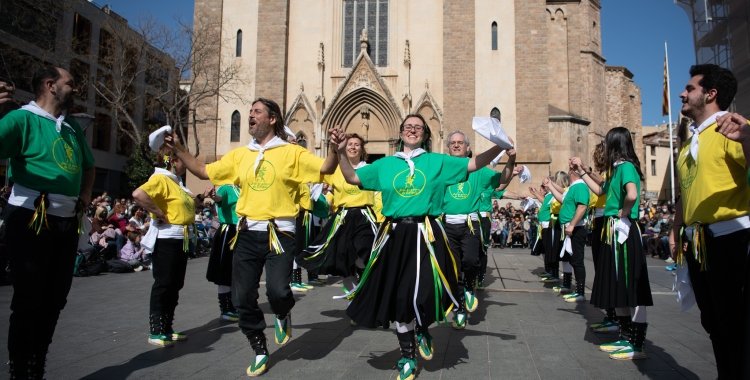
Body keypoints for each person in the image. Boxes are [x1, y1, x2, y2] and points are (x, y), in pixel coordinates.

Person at [164, 98, 343, 377]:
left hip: (280, 232)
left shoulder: (290, 152)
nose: (250, 115)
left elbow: (326, 169)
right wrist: (178, 148)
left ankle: (283, 312)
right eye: (249, 112)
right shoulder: (239, 155)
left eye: (256, 112)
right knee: (243, 297)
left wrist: (334, 149)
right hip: (247, 233)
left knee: (278, 292)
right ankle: (259, 347)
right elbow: (202, 170)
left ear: (272, 119)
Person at [336, 114, 507, 380]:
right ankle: (407, 355)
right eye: (408, 126)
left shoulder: (436, 162)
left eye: (418, 127)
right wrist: (339, 152)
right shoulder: (385, 164)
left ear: (425, 134)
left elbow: (474, 164)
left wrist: (501, 146)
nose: (412, 130)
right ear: (401, 132)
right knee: (402, 297)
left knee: (425, 291)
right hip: (395, 236)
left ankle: (422, 326)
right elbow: (352, 178)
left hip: (427, 233)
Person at [1, 66, 95, 378]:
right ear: (50, 85)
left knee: (55, 299)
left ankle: (36, 364)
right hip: (31, 218)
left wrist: (84, 197)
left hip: (66, 221)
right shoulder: (19, 119)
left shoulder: (69, 127)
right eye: (71, 83)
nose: (76, 89)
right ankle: (20, 369)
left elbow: (88, 166)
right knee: (29, 299)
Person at [668, 64, 749, 377]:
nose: (682, 93)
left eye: (690, 89)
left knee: (735, 325)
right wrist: (676, 228)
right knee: (714, 323)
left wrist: (746, 137)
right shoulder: (690, 143)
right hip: (698, 242)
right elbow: (687, 193)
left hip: (731, 239)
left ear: (711, 94)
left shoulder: (734, 130)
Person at [576, 127, 652, 360]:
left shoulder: (627, 167)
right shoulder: (616, 169)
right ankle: (626, 336)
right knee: (619, 284)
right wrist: (581, 173)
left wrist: (624, 213)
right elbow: (601, 190)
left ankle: (636, 344)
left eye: (607, 143)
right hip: (613, 231)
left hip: (623, 231)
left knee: (631, 284)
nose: (604, 148)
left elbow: (631, 194)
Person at [441, 130, 519, 329]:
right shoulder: (441, 168)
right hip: (447, 224)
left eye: (460, 142)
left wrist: (511, 161)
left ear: (468, 147)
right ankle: (459, 310)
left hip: (470, 223)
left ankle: (469, 287)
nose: (456, 145)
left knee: (471, 261)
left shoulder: (479, 170)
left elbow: (502, 180)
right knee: (454, 268)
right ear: (448, 147)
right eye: (453, 143)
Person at [297, 133, 378, 310]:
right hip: (343, 218)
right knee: (343, 262)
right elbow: (314, 173)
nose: (353, 147)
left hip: (364, 216)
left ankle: (364, 291)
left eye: (357, 144)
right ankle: (355, 300)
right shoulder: (336, 172)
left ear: (362, 149)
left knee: (365, 252)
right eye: (350, 144)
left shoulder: (370, 169)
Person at [132, 146, 201, 348]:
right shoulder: (160, 178)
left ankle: (167, 327)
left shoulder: (176, 182)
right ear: (172, 160)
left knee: (175, 284)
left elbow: (185, 207)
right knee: (163, 284)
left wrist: (199, 199)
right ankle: (156, 330)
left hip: (181, 238)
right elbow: (138, 194)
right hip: (166, 239)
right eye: (181, 159)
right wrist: (157, 211)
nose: (185, 163)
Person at [569, 145, 619, 332]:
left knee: (608, 269)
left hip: (607, 219)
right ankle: (611, 314)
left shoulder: (616, 171)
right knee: (601, 268)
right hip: (598, 220)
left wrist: (586, 170)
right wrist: (583, 172)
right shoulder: (606, 172)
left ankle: (615, 317)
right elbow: (598, 190)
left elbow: (605, 186)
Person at [545, 167, 591, 302]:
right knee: (569, 258)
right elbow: (562, 199)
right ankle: (570, 285)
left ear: (571, 174)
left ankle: (580, 291)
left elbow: (582, 207)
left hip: (576, 228)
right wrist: (550, 186)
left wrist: (571, 224)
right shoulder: (573, 187)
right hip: (570, 228)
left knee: (577, 260)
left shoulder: (581, 186)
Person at [205, 184, 240, 322]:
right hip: (229, 230)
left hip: (241, 230)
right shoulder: (226, 188)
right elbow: (219, 198)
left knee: (237, 270)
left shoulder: (241, 188)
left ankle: (234, 304)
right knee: (225, 269)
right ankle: (225, 308)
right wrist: (214, 196)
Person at [539, 171, 569, 283]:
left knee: (556, 250)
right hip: (553, 222)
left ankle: (558, 275)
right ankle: (553, 272)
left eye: (555, 180)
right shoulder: (555, 194)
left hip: (558, 223)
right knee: (552, 249)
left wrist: (551, 186)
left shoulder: (565, 192)